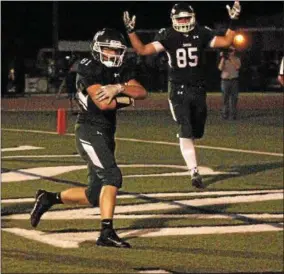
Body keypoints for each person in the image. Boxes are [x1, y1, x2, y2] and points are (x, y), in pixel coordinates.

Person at [30, 28, 148, 248]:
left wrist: (119, 87)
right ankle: (106, 232)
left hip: (106, 132)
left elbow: (142, 92)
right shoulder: (88, 68)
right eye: (108, 49)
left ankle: (49, 198)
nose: (113, 54)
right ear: (97, 49)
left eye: (116, 50)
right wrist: (126, 98)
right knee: (112, 176)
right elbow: (104, 103)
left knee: (94, 194)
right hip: (89, 130)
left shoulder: (121, 69)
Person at [123, 1, 241, 189]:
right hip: (178, 89)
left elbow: (226, 41)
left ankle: (192, 161)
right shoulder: (168, 35)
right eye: (181, 18)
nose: (184, 21)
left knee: (197, 130)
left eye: (187, 17)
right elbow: (143, 50)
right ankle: (194, 171)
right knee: (185, 128)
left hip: (199, 88)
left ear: (193, 17)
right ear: (174, 20)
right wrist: (131, 32)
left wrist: (233, 21)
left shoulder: (202, 32)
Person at [218, 46, 241, 120]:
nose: (231, 52)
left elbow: (237, 67)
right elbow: (220, 68)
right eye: (230, 51)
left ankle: (233, 115)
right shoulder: (224, 59)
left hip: (234, 80)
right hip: (225, 81)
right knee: (225, 98)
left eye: (232, 50)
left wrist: (230, 58)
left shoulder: (237, 59)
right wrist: (223, 58)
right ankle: (225, 114)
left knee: (234, 99)